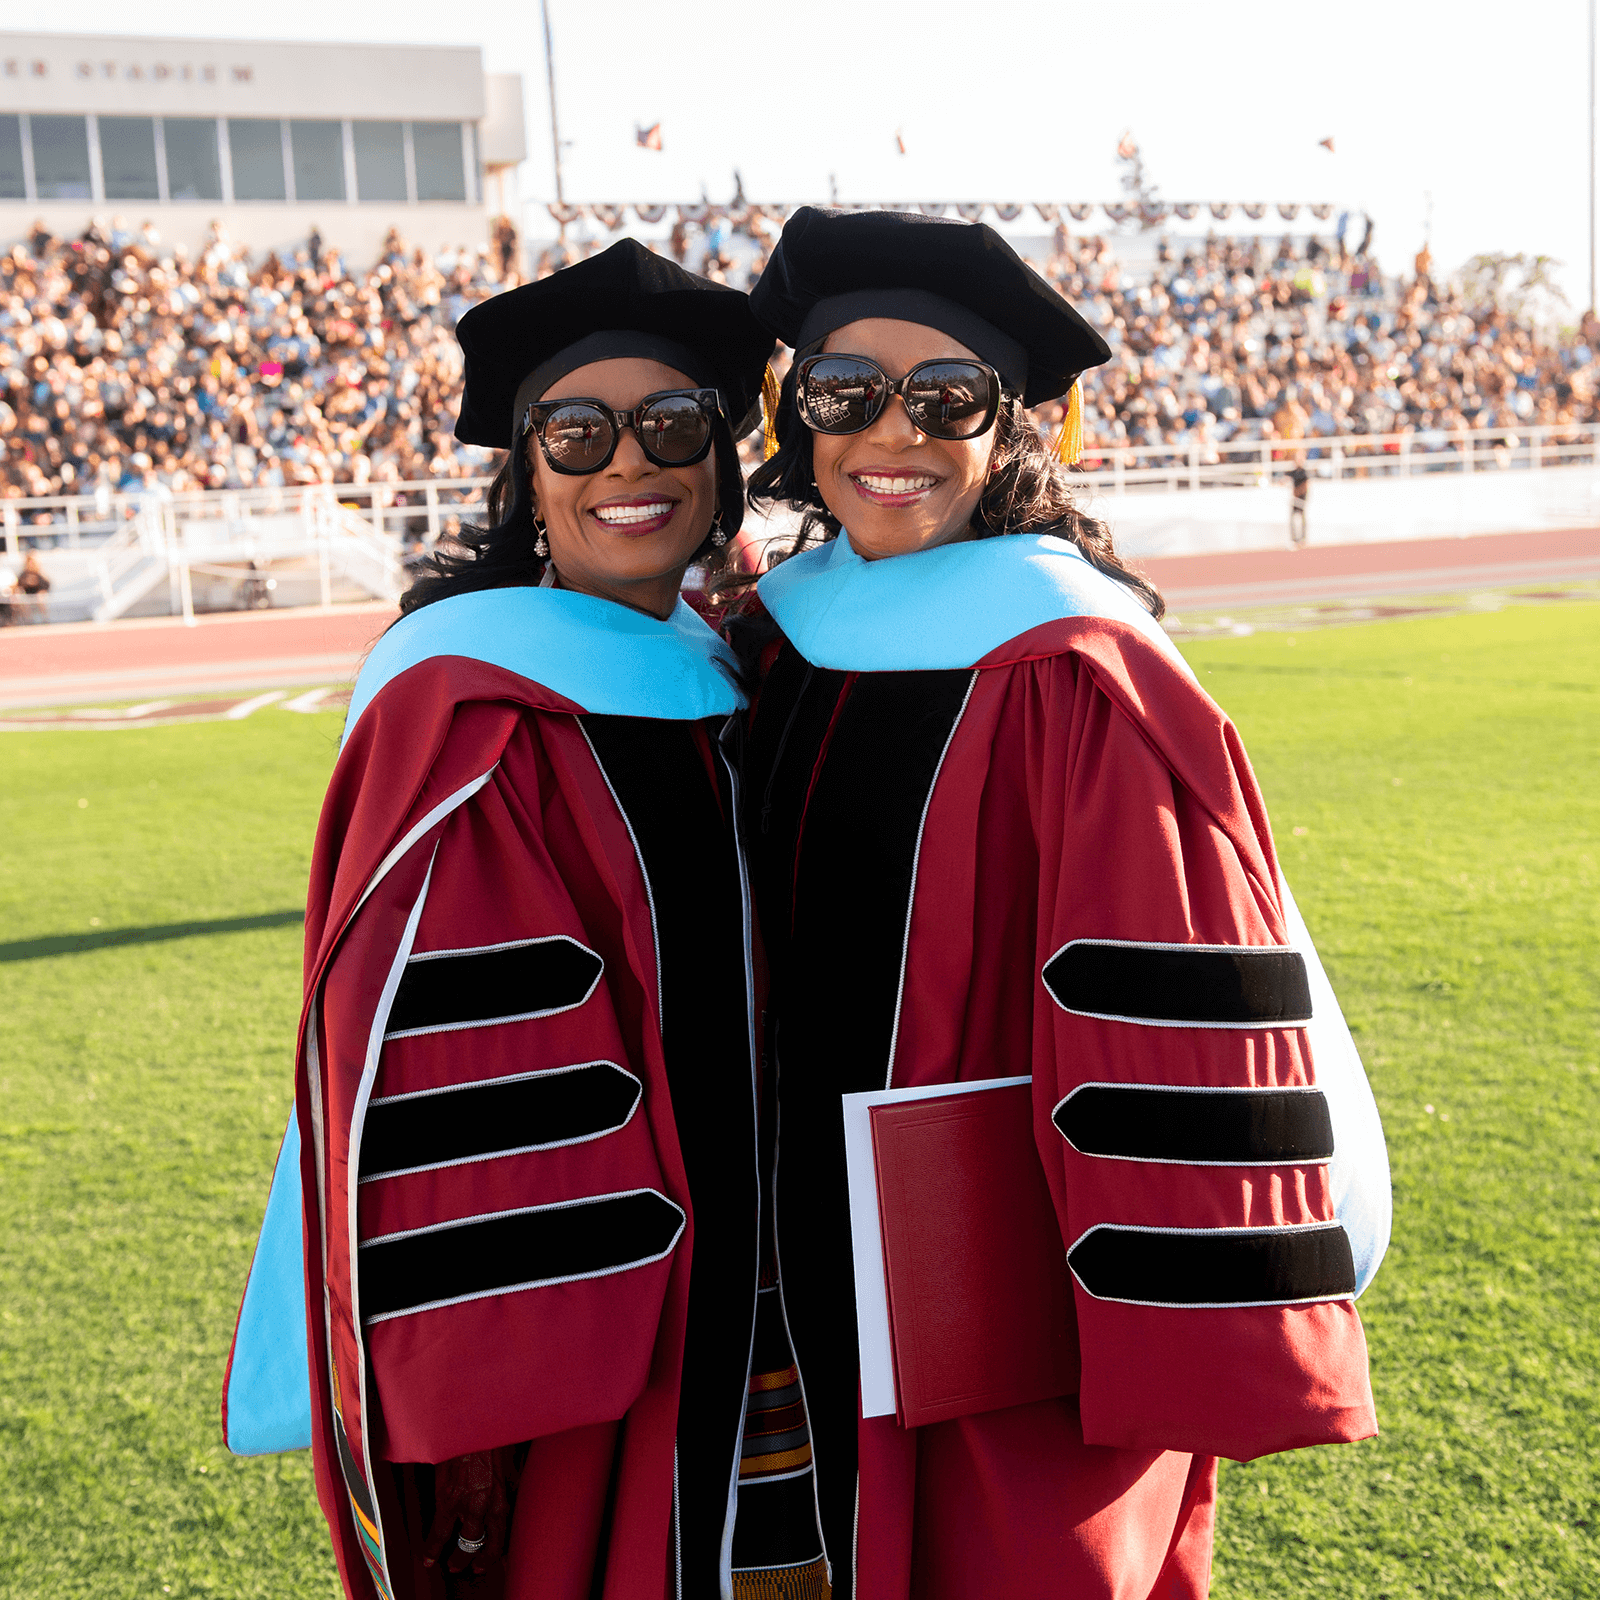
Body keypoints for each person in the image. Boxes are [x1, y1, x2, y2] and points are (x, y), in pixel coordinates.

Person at [736, 208, 1392, 1599]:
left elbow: (1172, 1028)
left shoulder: (1077, 669)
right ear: (799, 422)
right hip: (771, 1270)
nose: (889, 435)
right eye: (844, 396)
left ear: (1012, 429)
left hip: (1000, 1276)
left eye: (947, 399)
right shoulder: (764, 634)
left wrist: (1169, 1328)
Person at [222, 239, 821, 1600]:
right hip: (610, 1308)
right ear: (528, 474)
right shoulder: (466, 708)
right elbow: (469, 1076)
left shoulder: (753, 671)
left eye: (673, 425)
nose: (628, 463)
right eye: (577, 430)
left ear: (721, 466)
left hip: (789, 1276)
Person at [16, 549, 49, 622]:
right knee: (22, 600)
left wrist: (35, 582)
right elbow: (19, 585)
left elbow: (46, 584)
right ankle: (28, 620)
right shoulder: (24, 573)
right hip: (27, 594)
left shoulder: (39, 573)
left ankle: (45, 619)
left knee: (40, 598)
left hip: (38, 594)